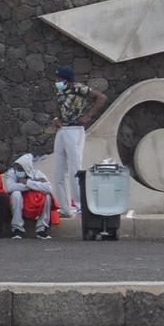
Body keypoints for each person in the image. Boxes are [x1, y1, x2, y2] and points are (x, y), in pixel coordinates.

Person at [47, 66, 106, 217]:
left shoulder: (79, 88)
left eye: (59, 79)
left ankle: (80, 204)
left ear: (66, 79)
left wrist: (88, 116)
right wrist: (56, 119)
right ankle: (66, 208)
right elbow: (58, 107)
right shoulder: (61, 91)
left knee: (75, 168)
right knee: (58, 172)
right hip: (63, 130)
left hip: (75, 130)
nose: (57, 81)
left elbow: (101, 98)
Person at [4, 154, 56, 239]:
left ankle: (41, 229)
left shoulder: (37, 173)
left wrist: (28, 182)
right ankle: (17, 229)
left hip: (34, 200)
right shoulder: (12, 172)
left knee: (47, 196)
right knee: (15, 194)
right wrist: (34, 185)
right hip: (21, 201)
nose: (18, 171)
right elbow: (11, 187)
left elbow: (48, 188)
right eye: (17, 168)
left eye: (20, 169)